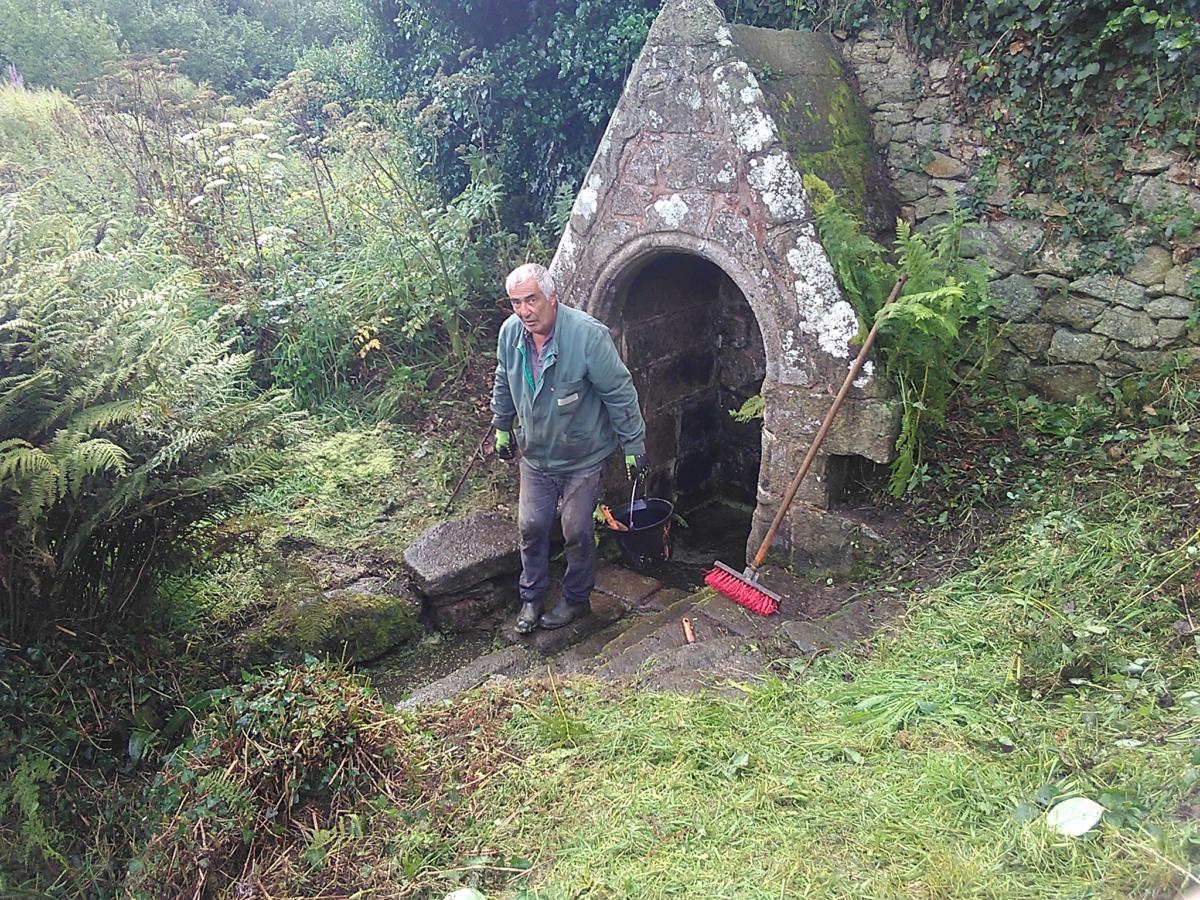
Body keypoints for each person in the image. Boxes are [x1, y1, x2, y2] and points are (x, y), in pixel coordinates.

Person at [491, 263, 647, 633]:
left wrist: (633, 443)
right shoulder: (510, 333)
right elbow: (503, 378)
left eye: (532, 300)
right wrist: (502, 425)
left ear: (552, 297)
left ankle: (576, 600)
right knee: (531, 526)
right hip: (536, 454)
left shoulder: (587, 336)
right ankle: (531, 597)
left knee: (576, 530)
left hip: (582, 455)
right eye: (516, 302)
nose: (525, 311)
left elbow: (619, 391)